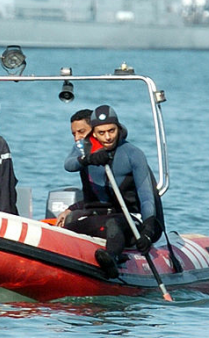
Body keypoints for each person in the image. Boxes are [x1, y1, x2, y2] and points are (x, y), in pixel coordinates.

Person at [59, 105, 165, 278]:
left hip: (129, 218)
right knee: (68, 230)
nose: (107, 137)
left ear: (118, 128)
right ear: (93, 132)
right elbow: (69, 165)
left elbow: (146, 197)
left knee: (114, 225)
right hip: (97, 216)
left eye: (112, 131)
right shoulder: (84, 148)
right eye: (101, 133)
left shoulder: (133, 153)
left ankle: (113, 259)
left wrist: (147, 232)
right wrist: (89, 159)